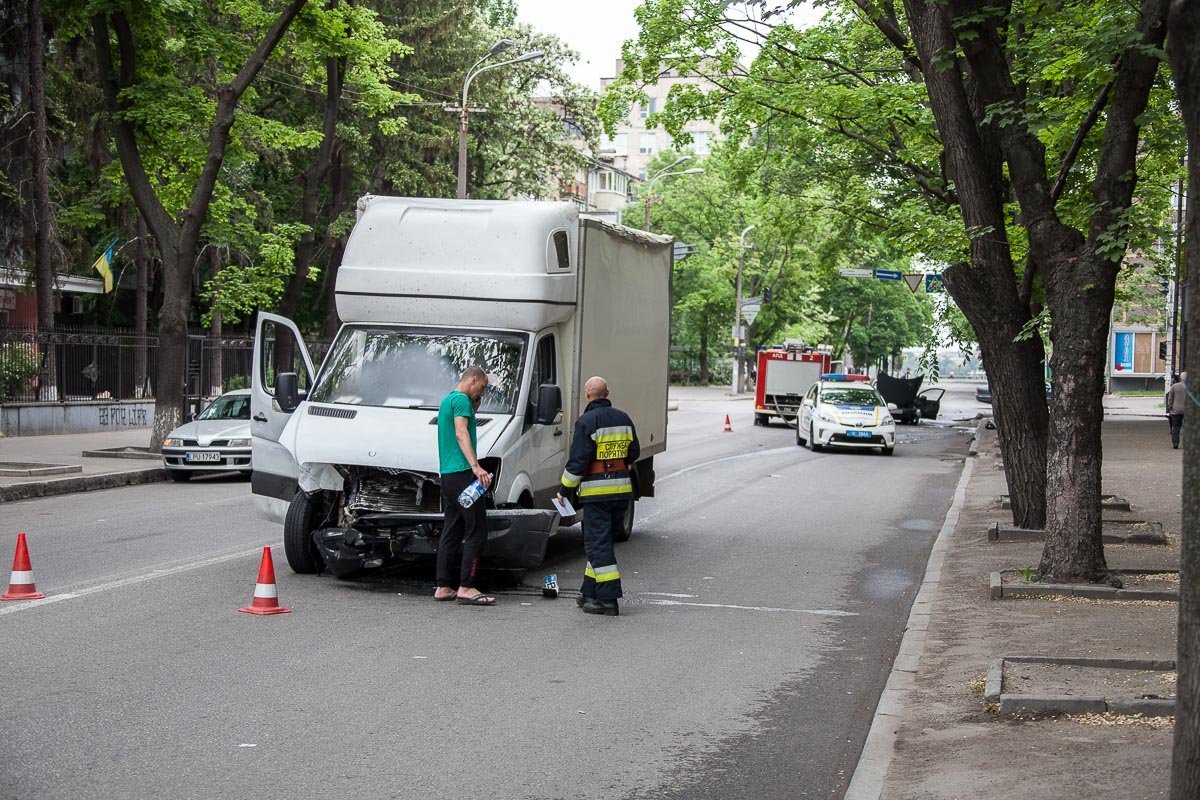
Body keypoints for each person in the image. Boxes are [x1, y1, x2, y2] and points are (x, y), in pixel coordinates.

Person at [557, 376, 640, 617]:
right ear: (607, 393)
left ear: (587, 395)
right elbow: (633, 452)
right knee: (602, 543)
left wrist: (564, 490)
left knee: (598, 544)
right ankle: (589, 592)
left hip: (597, 494)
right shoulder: (623, 418)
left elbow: (578, 462)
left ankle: (607, 600)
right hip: (621, 492)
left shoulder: (586, 422)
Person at [434, 365, 495, 605]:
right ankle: (467, 586)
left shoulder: (448, 400)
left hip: (448, 476)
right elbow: (461, 433)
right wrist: (476, 466)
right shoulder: (460, 400)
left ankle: (443, 585)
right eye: (482, 387)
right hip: (462, 474)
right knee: (477, 530)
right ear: (472, 380)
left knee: (452, 528)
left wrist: (475, 404)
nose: (483, 392)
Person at [1166, 371, 1187, 450]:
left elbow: (1170, 398)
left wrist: (1170, 407)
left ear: (1181, 378)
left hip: (1176, 410)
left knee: (1176, 428)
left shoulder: (1174, 386)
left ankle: (1175, 443)